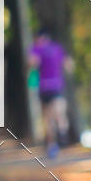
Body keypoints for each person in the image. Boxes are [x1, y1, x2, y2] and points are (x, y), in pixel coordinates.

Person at [29, 28, 70, 158]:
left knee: (54, 114)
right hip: (48, 87)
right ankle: (56, 142)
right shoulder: (50, 48)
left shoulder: (41, 48)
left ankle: (60, 136)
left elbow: (32, 63)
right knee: (51, 117)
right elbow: (68, 64)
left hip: (50, 87)